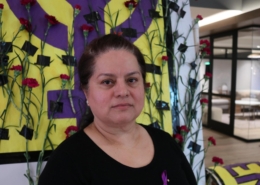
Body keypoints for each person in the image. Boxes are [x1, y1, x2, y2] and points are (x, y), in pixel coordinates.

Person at [38, 34, 197, 185]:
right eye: (107, 82)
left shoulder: (166, 143)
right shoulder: (66, 163)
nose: (122, 91)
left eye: (132, 80)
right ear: (86, 91)